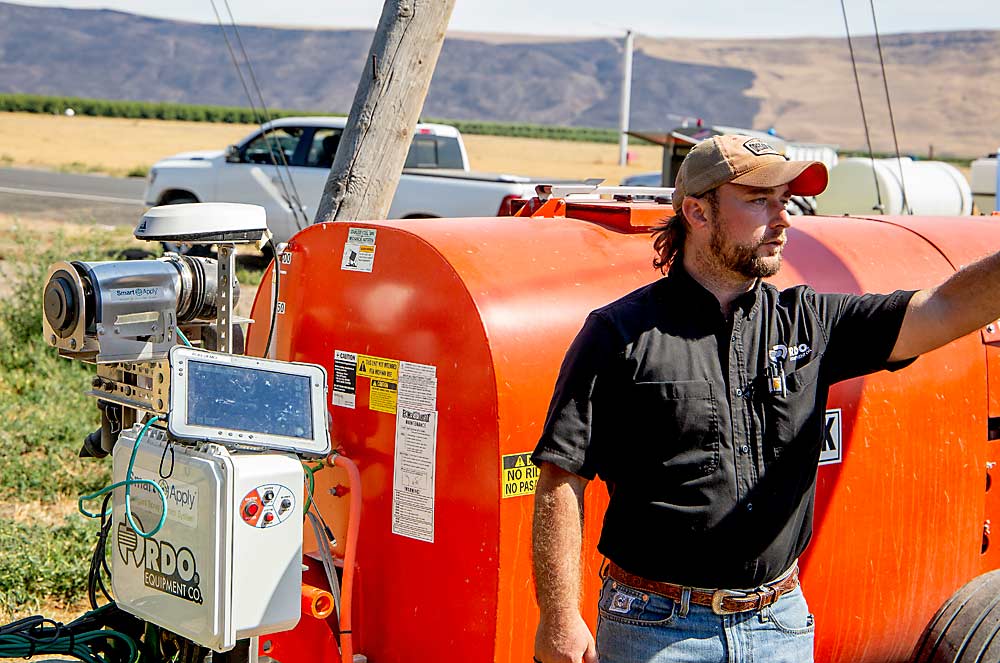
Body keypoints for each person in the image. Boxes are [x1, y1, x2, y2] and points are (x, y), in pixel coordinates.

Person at [529, 133, 1000, 663]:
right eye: (759, 200)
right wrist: (560, 616)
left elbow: (941, 311)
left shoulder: (811, 323)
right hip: (655, 628)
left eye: (785, 201)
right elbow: (561, 478)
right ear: (697, 212)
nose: (783, 219)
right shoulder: (618, 334)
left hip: (780, 623)